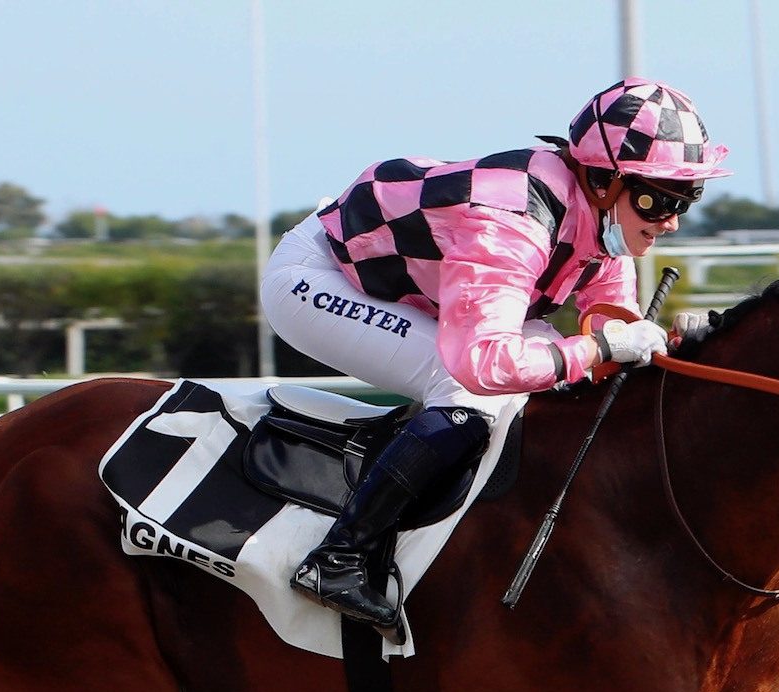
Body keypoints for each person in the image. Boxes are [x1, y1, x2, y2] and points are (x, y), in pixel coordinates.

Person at [261, 78, 730, 636]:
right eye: (659, 198)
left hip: (407, 278)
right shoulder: (513, 221)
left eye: (686, 199)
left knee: (546, 366)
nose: (672, 220)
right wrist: (602, 348)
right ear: (604, 179)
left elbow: (606, 315)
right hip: (319, 279)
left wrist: (641, 342)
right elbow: (483, 363)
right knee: (465, 389)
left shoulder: (599, 219)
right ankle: (339, 559)